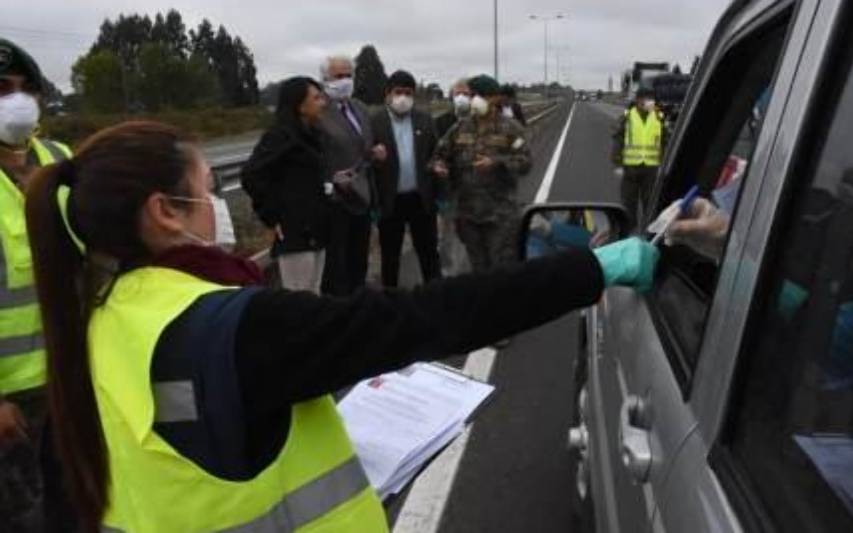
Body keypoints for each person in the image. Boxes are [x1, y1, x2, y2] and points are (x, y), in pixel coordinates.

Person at [24, 120, 658, 531]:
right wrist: (595, 268)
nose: (218, 204)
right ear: (165, 212)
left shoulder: (95, 325)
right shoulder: (241, 325)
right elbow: (429, 316)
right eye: (207, 186)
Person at [0, 38, 73, 531]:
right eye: (3, 89)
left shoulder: (59, 157)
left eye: (27, 88)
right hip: (10, 397)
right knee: (22, 518)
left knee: (76, 502)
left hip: (69, 374)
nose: (18, 99)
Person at [431, 74, 532, 274]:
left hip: (500, 216)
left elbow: (526, 162)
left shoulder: (511, 129)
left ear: (496, 98)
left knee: (501, 270)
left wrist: (498, 163)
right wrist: (439, 166)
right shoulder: (460, 128)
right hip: (468, 215)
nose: (475, 99)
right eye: (474, 94)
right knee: (476, 270)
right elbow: (438, 155)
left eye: (481, 95)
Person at [241, 77, 331, 293]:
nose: (323, 103)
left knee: (315, 295)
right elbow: (251, 175)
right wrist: (271, 215)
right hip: (296, 235)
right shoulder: (280, 136)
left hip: (317, 229)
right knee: (299, 300)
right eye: (316, 98)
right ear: (300, 105)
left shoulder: (311, 135)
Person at [317, 55, 387, 296]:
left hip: (362, 195)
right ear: (325, 79)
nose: (345, 81)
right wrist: (330, 180)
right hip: (334, 201)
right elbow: (315, 156)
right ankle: (340, 309)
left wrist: (374, 152)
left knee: (359, 258)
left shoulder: (359, 108)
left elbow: (362, 146)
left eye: (349, 75)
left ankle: (359, 305)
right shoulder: (318, 112)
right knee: (337, 264)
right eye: (339, 76)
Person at [371, 70, 441, 287]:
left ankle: (436, 296)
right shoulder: (374, 122)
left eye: (408, 93)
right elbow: (365, 158)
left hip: (420, 198)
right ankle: (390, 302)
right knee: (390, 257)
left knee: (429, 253)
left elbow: (436, 153)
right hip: (390, 201)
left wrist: (438, 172)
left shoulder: (425, 120)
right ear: (388, 94)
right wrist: (373, 157)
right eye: (398, 92)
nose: (403, 97)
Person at [612, 88, 666, 230]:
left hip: (652, 168)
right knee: (629, 203)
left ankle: (650, 232)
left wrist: (664, 163)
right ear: (638, 101)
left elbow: (666, 141)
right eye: (647, 99)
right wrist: (617, 164)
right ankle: (630, 231)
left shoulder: (659, 117)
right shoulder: (627, 116)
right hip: (630, 168)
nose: (650, 102)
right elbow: (618, 139)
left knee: (651, 203)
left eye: (651, 99)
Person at [435, 78, 473, 276]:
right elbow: (434, 155)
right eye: (458, 94)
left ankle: (465, 272)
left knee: (469, 233)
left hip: (475, 191)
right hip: (449, 190)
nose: (461, 98)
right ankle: (447, 272)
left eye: (466, 94)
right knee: (447, 233)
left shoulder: (480, 122)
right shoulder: (441, 122)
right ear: (451, 97)